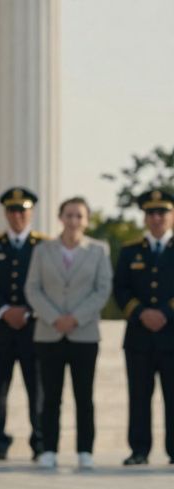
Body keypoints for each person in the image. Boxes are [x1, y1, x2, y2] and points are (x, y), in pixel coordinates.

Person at [24, 197, 112, 470]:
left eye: (79, 216)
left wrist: (75, 318)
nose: (74, 221)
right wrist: (54, 318)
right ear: (60, 217)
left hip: (84, 334)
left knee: (84, 396)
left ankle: (85, 449)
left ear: (86, 220)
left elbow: (102, 289)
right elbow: (33, 288)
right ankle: (48, 448)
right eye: (69, 215)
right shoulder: (42, 250)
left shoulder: (99, 250)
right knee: (50, 396)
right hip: (49, 333)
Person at [0, 187, 47, 461]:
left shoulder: (43, 246)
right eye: (12, 210)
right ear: (6, 213)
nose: (18, 215)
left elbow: (46, 285)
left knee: (36, 389)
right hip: (0, 330)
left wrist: (27, 311)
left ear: (31, 212)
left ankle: (39, 443)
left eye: (23, 210)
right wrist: (4, 310)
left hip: (33, 328)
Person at [113, 188, 174, 465]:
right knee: (138, 396)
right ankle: (139, 449)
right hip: (139, 337)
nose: (157, 217)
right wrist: (140, 313)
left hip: (171, 334)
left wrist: (164, 313)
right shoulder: (130, 251)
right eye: (151, 213)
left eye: (162, 212)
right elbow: (121, 289)